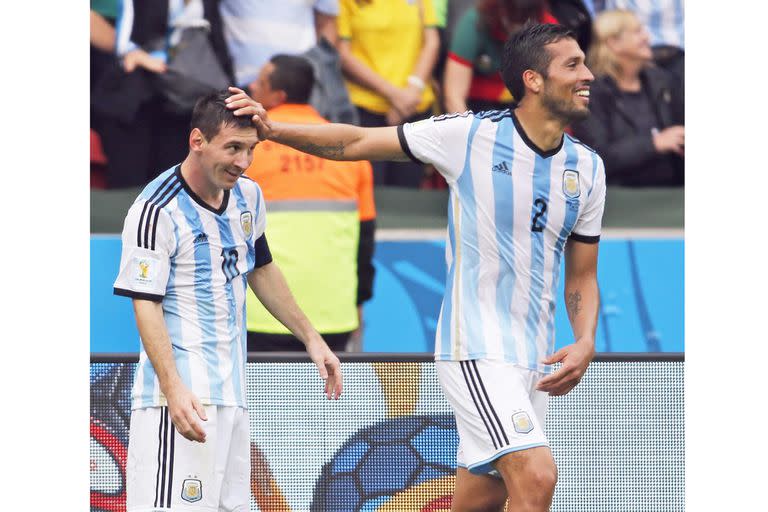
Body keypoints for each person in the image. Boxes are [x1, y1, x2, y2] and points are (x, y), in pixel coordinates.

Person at [227, 22, 605, 512]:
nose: (588, 74)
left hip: (534, 360)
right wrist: (274, 131)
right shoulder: (468, 134)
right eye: (573, 65)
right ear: (533, 80)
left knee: (483, 496)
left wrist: (585, 340)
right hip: (477, 347)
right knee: (537, 478)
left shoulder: (588, 168)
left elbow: (581, 274)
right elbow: (357, 142)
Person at [113, 90, 342, 511]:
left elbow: (262, 268)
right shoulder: (154, 209)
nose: (243, 161)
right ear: (197, 140)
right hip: (179, 404)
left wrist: (312, 338)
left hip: (233, 398)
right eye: (233, 148)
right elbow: (144, 303)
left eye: (250, 149)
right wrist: (173, 388)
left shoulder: (248, 196)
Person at [243, 54, 377, 353]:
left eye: (261, 81)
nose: (252, 85)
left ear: (279, 95)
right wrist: (358, 302)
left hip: (261, 313)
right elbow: (365, 239)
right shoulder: (347, 150)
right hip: (333, 316)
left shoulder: (246, 150)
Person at [571, 9, 683, 186]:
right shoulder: (590, 95)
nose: (647, 37)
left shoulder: (661, 81)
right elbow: (597, 156)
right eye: (638, 31)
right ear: (614, 43)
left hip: (671, 189)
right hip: (620, 198)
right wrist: (654, 144)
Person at [338, 0, 440, 187]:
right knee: (370, 189)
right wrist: (394, 96)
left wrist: (410, 92)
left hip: (415, 110)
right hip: (367, 113)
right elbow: (343, 54)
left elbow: (431, 41)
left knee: (408, 194)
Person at [443, 0, 558, 113]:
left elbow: (559, 92)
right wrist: (469, 129)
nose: (518, 23)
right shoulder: (475, 23)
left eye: (524, 17)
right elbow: (454, 96)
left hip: (528, 105)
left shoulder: (548, 27)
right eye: (513, 14)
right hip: (479, 106)